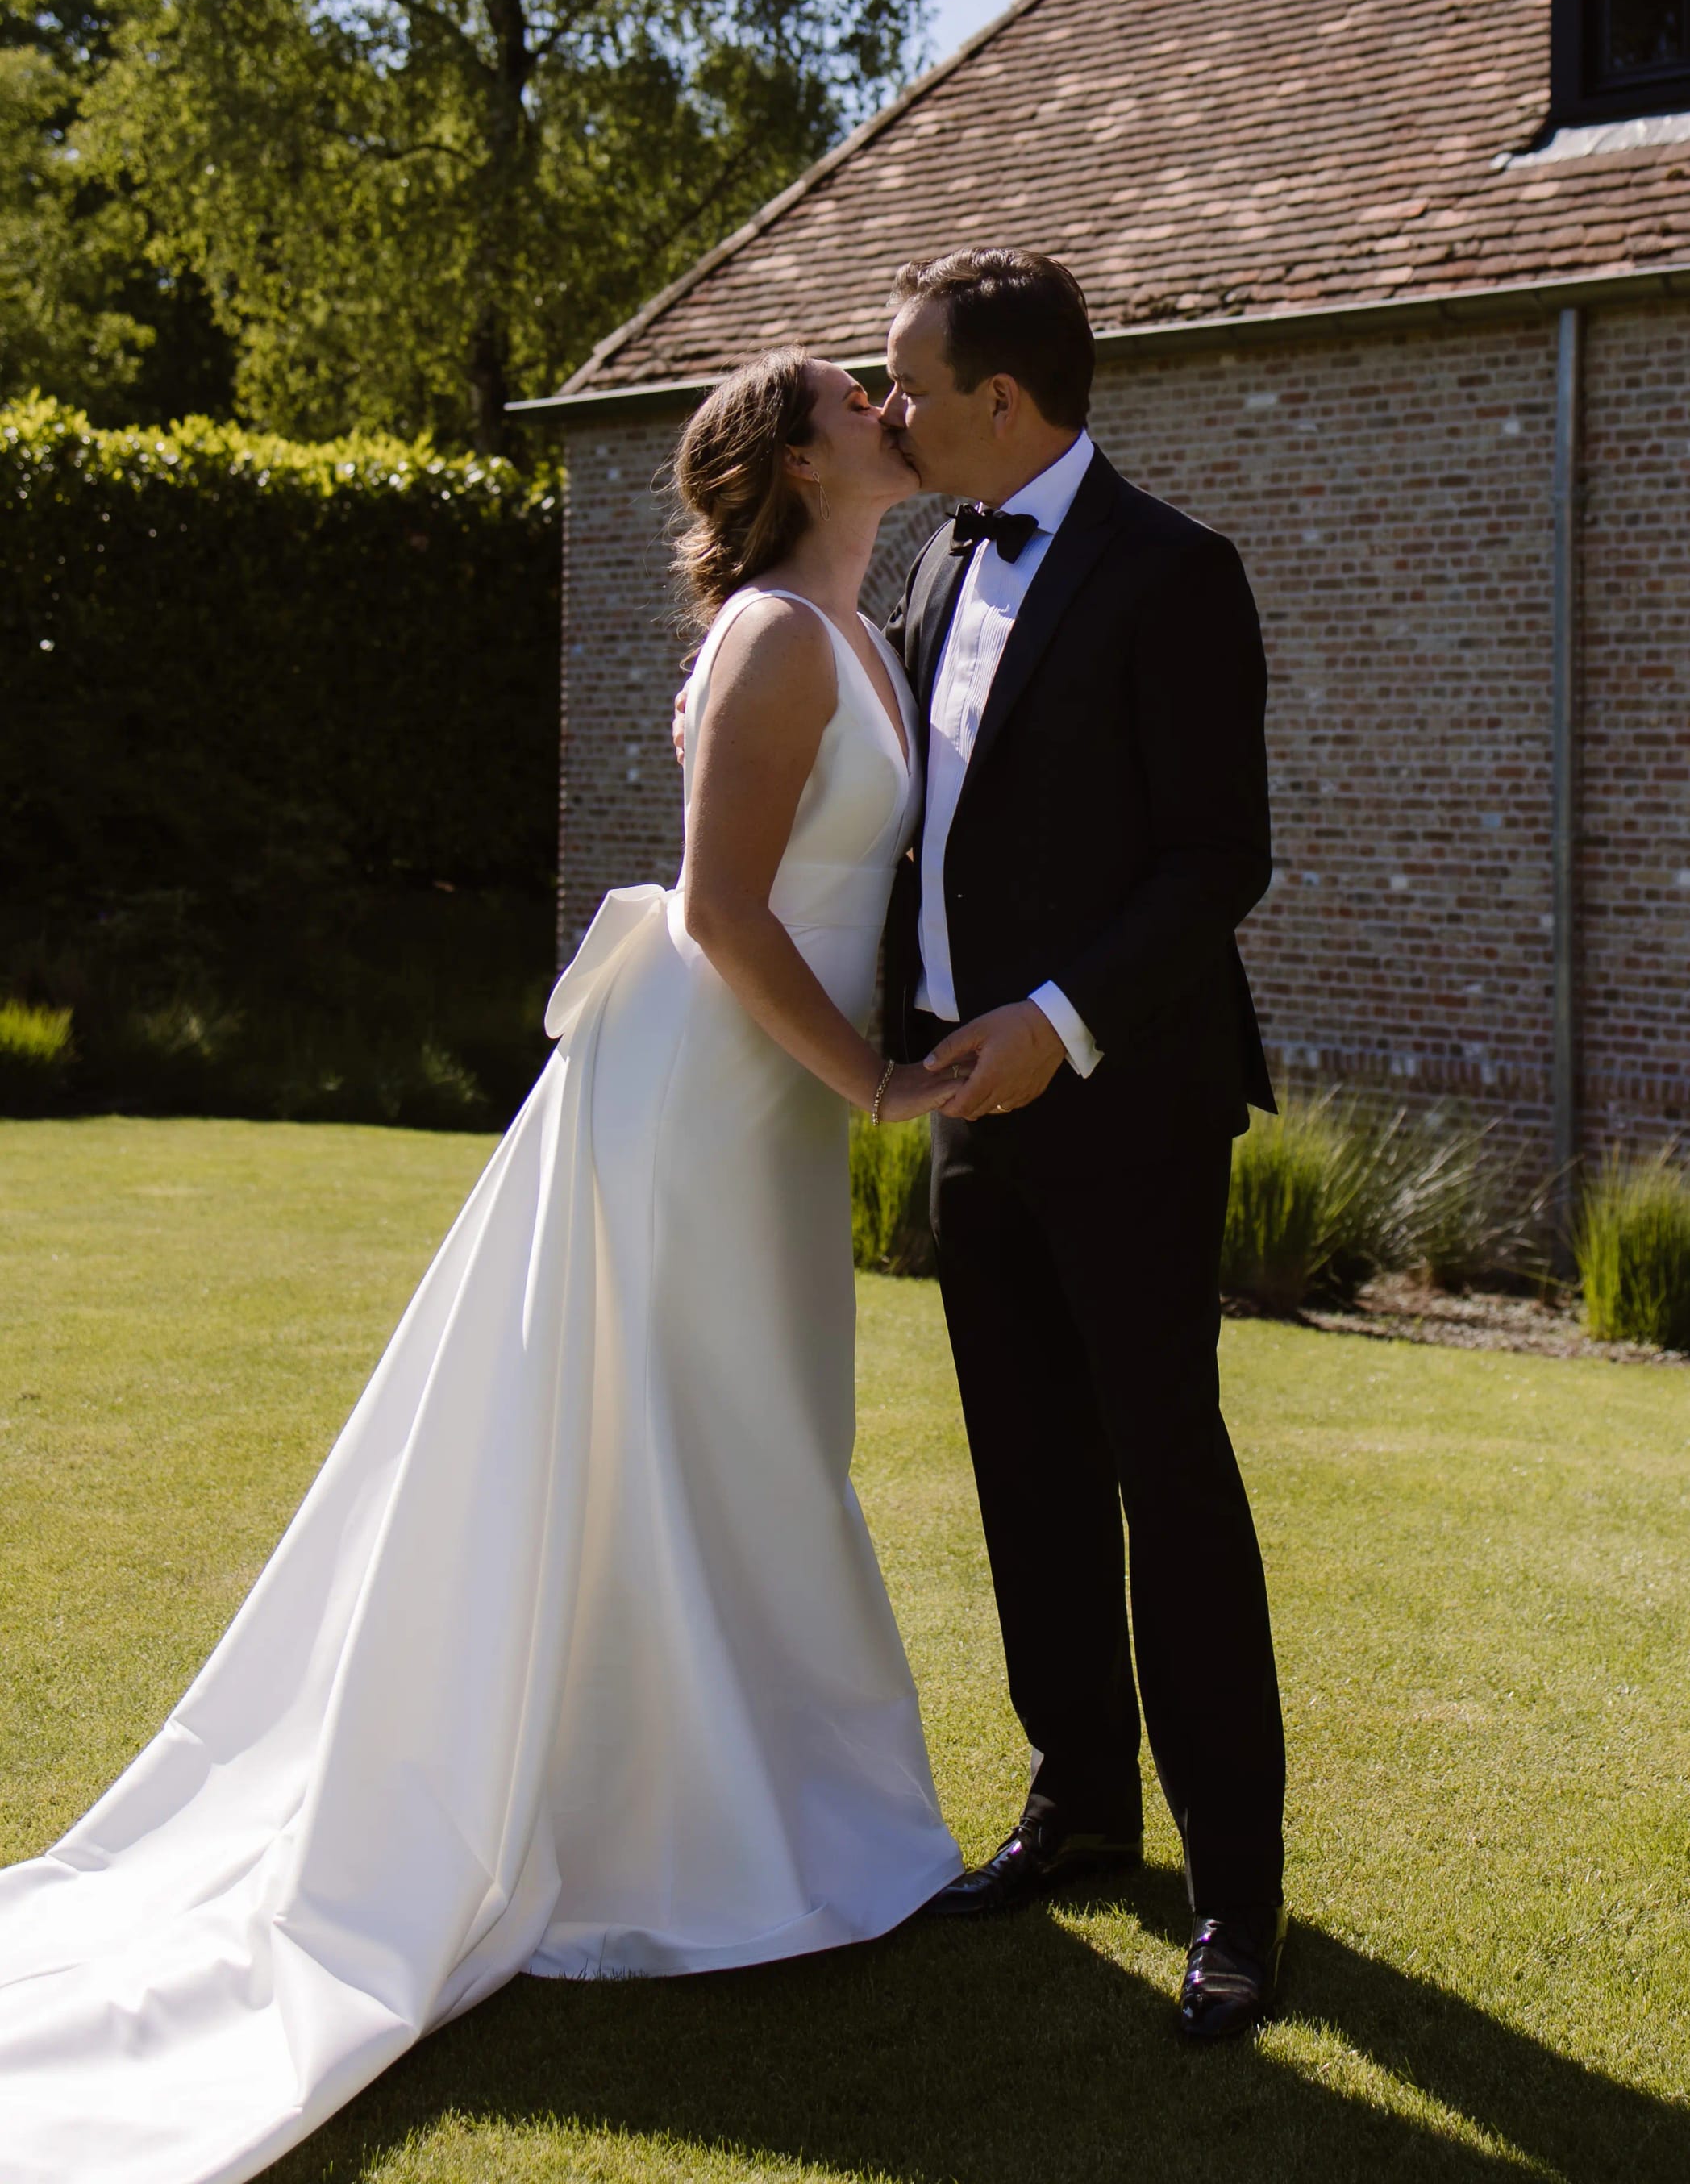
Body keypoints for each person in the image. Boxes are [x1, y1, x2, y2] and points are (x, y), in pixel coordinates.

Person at [0, 351, 966, 2184]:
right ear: (788, 455)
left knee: (755, 1440)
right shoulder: (773, 633)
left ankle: (751, 1816)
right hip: (701, 1099)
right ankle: (694, 1844)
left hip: (757, 1108)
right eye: (853, 393)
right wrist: (880, 1082)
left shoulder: (860, 624)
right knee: (700, 1444)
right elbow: (721, 910)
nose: (884, 403)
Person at [878, 247, 1288, 2045]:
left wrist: (1056, 1025)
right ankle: (1075, 1803)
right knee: (1023, 1473)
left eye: (906, 386)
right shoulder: (926, 565)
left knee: (1164, 1483)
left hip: (1126, 1108)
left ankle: (1235, 1894)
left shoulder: (1174, 574)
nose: (886, 414)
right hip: (970, 1118)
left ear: (1005, 400)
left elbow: (1216, 860)